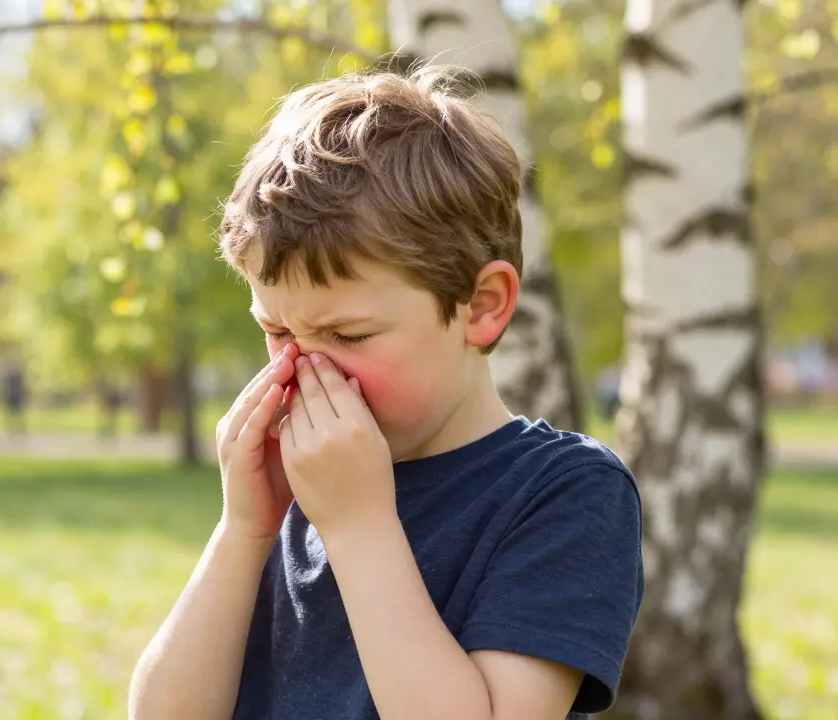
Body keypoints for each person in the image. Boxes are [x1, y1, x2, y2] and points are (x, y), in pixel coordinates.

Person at [128, 67, 643, 719]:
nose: (302, 369)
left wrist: (359, 526)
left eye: (348, 334)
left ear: (482, 305)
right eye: (276, 331)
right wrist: (244, 529)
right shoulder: (298, 490)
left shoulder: (565, 492)